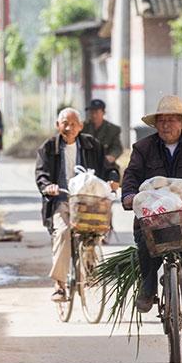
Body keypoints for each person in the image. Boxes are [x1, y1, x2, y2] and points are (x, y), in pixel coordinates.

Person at [121, 95, 182, 344]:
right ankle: (148, 288)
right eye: (162, 121)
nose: (167, 125)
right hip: (152, 218)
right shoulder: (142, 148)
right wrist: (129, 195)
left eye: (172, 120)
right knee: (146, 248)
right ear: (156, 124)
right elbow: (131, 175)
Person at [36, 108, 120, 302]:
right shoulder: (48, 147)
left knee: (93, 233)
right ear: (58, 125)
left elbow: (110, 168)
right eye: (65, 123)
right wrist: (48, 186)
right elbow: (41, 173)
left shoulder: (92, 145)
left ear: (81, 126)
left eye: (74, 124)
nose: (69, 127)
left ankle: (90, 269)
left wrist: (113, 179)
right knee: (64, 232)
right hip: (61, 201)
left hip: (87, 202)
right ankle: (59, 284)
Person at [82, 99, 122, 173]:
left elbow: (117, 147)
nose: (94, 115)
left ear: (103, 112)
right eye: (91, 112)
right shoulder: (82, 127)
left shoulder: (113, 129)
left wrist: (112, 156)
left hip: (105, 164)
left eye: (96, 112)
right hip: (85, 163)